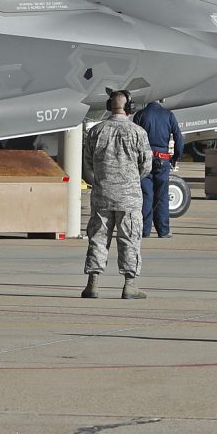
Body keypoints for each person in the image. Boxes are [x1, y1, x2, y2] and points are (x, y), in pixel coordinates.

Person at [80, 90, 152, 299]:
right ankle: (129, 285)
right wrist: (130, 180)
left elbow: (87, 164)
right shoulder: (138, 133)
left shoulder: (96, 131)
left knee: (98, 239)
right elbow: (146, 166)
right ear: (129, 108)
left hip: (102, 194)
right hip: (128, 197)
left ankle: (92, 284)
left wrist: (102, 180)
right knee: (129, 239)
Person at [133, 98, 183, 238]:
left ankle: (144, 230)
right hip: (163, 158)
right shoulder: (168, 115)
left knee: (146, 194)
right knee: (162, 195)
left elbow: (133, 137)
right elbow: (179, 138)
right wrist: (176, 158)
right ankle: (163, 230)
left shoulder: (140, 115)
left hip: (145, 158)